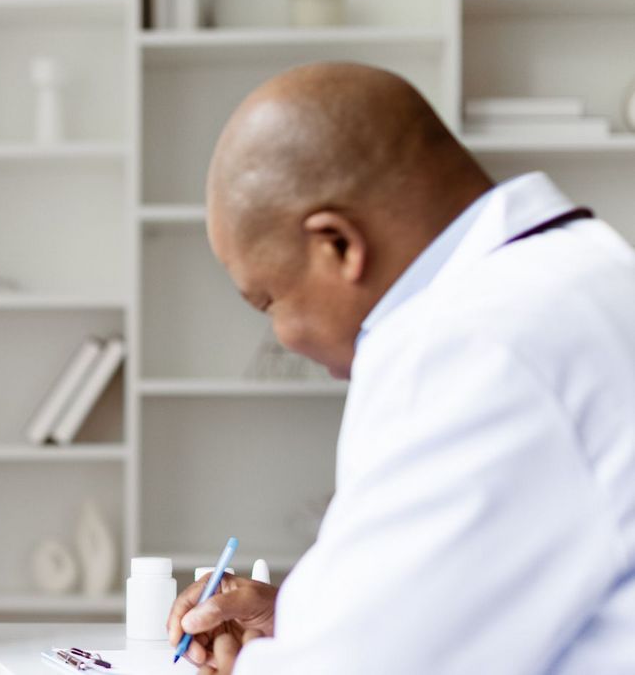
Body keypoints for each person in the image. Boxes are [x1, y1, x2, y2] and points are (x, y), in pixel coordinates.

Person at [167, 62, 635, 673]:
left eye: (269, 302)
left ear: (338, 245)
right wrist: (303, 626)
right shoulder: (578, 277)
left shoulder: (478, 341)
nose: (282, 337)